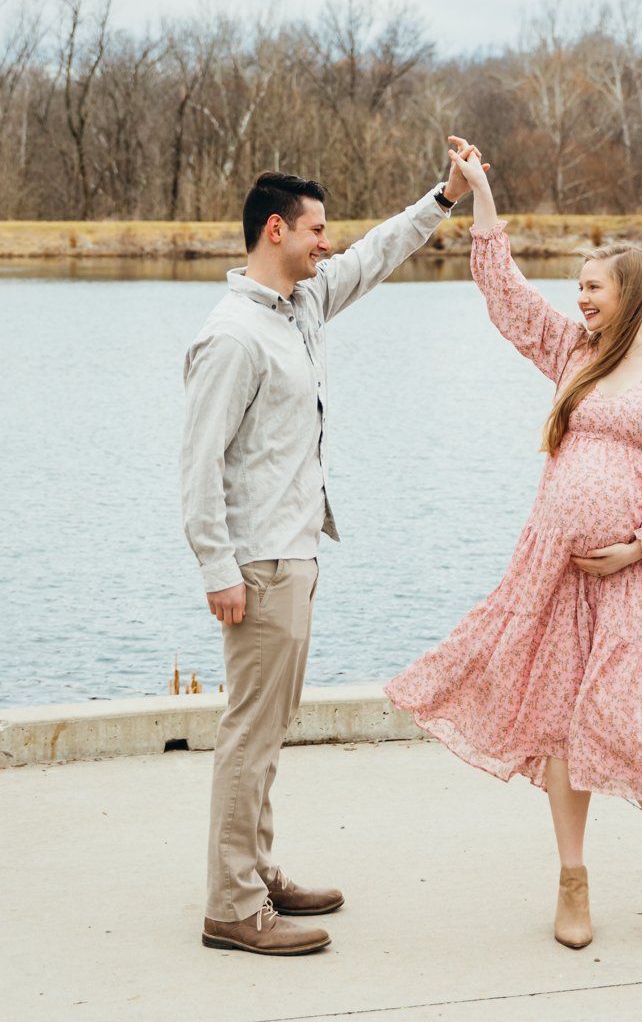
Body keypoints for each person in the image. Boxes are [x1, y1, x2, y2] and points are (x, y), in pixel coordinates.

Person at [386, 144, 642, 949]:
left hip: (635, 575)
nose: (580, 298)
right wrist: (484, 190)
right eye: (579, 289)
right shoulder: (571, 352)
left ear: (629, 291)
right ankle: (572, 882)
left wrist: (639, 547)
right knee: (563, 725)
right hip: (555, 571)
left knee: (620, 718)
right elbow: (503, 290)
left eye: (593, 287)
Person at [183, 143, 478, 958]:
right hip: (259, 564)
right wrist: (218, 571)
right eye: (315, 230)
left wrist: (443, 199)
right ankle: (233, 909)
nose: (326, 243)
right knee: (250, 732)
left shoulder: (299, 306)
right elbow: (198, 465)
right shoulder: (233, 336)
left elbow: (375, 254)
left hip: (296, 554)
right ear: (275, 230)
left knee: (269, 728)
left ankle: (256, 873)